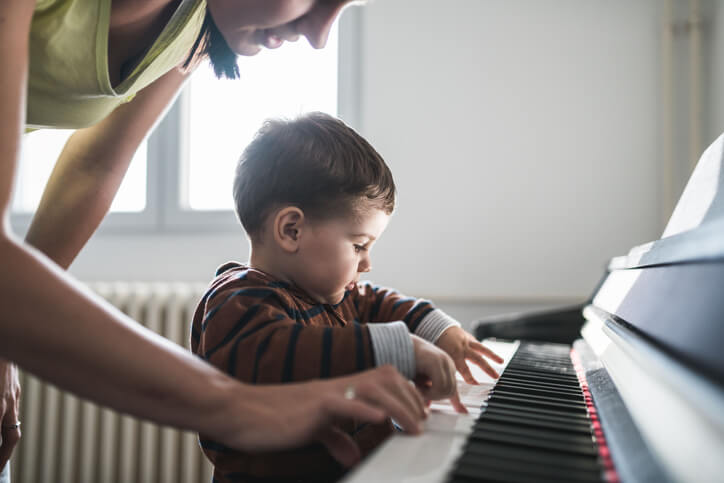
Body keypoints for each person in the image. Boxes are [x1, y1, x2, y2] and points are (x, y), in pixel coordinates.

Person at [0, 0, 429, 478]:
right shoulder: (240, 297)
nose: (320, 35)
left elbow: (95, 164)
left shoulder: (193, 30)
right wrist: (237, 406)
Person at [191, 112, 504, 482]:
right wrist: (401, 348)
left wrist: (437, 329)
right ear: (292, 230)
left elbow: (380, 303)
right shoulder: (236, 301)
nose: (367, 263)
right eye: (359, 245)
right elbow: (279, 351)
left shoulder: (330, 295)